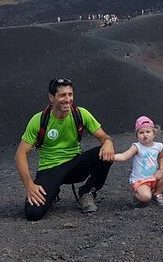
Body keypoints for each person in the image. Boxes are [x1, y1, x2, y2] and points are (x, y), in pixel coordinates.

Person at [14, 77, 115, 221]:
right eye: (62, 95)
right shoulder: (39, 120)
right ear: (51, 97)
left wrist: (108, 142)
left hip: (75, 165)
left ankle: (87, 193)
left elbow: (104, 137)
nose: (67, 99)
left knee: (105, 153)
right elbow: (20, 154)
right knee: (33, 213)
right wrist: (29, 185)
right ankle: (52, 193)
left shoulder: (80, 114)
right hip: (50, 169)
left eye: (70, 94)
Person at [114, 115, 163, 207]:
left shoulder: (158, 146)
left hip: (152, 177)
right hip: (140, 181)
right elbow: (124, 156)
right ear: (137, 136)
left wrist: (162, 166)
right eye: (141, 132)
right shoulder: (137, 147)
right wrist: (111, 156)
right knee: (146, 198)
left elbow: (162, 156)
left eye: (148, 131)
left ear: (154, 133)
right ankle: (137, 194)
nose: (145, 134)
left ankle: (157, 194)